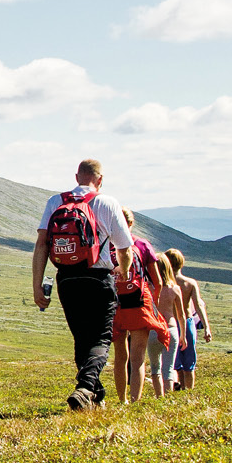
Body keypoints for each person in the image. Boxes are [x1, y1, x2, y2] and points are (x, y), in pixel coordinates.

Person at [33, 159, 135, 411]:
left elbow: (42, 244)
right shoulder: (107, 202)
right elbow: (125, 246)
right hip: (98, 277)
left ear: (76, 176)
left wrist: (37, 285)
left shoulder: (55, 202)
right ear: (100, 180)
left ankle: (93, 397)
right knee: (100, 339)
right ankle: (86, 387)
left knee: (81, 339)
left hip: (66, 279)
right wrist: (124, 270)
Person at [109, 209, 162, 404]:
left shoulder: (105, 244)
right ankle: (134, 401)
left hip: (114, 306)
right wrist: (152, 306)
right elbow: (157, 281)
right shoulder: (142, 244)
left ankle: (122, 399)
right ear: (131, 224)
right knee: (138, 357)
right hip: (138, 304)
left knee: (120, 356)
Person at [165, 248, 215, 391]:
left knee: (174, 360)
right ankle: (188, 390)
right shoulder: (189, 283)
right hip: (187, 322)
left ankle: (178, 388)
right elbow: (199, 305)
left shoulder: (164, 284)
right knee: (189, 362)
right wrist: (206, 327)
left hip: (171, 323)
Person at [149, 253, 186, 396]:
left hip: (154, 329)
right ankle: (168, 396)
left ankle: (159, 396)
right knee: (168, 367)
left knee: (155, 367)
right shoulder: (175, 289)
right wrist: (183, 335)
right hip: (171, 328)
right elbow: (181, 315)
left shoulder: (149, 288)